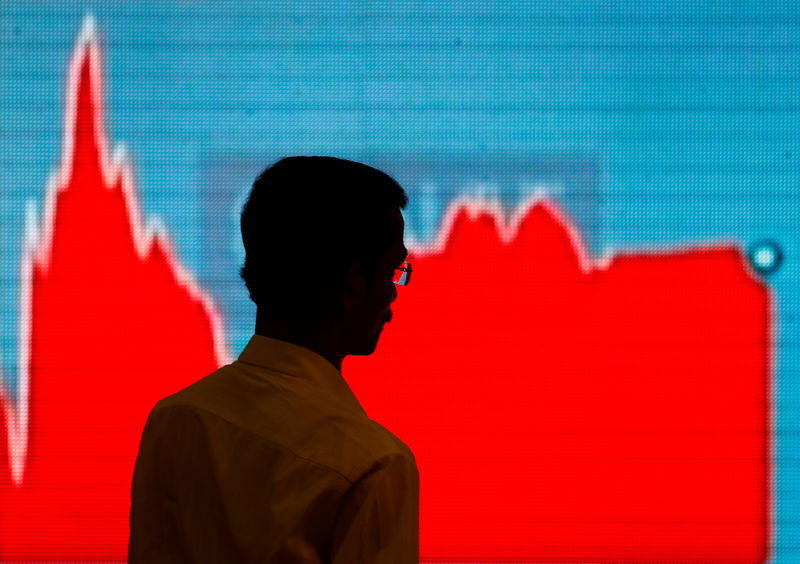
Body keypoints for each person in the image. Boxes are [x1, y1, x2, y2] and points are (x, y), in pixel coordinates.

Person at [129, 157, 419, 563]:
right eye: (394, 272)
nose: (394, 294)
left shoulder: (173, 421)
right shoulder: (373, 466)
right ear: (353, 287)